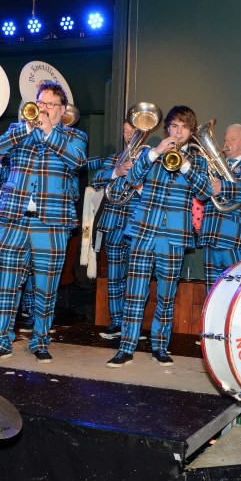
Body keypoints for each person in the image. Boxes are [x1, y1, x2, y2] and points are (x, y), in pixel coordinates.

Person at [0, 82, 87, 364]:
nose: (44, 108)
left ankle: (40, 340)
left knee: (46, 287)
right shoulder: (18, 130)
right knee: (8, 286)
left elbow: (76, 162)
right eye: (41, 102)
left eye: (51, 104)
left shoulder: (75, 136)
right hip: (14, 219)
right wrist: (29, 127)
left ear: (62, 110)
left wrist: (48, 130)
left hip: (51, 224)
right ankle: (2, 340)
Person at [106, 105, 213, 368]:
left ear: (190, 132)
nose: (178, 132)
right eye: (174, 126)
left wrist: (186, 165)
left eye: (184, 127)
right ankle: (126, 347)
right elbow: (131, 177)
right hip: (144, 231)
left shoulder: (197, 160)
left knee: (166, 294)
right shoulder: (147, 153)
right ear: (167, 128)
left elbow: (205, 191)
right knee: (135, 292)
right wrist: (154, 153)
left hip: (174, 235)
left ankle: (160, 347)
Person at [87, 120, 139, 338]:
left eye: (132, 131)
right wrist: (116, 172)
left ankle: (130, 323)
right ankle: (116, 322)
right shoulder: (114, 158)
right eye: (125, 131)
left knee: (134, 277)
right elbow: (96, 179)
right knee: (115, 277)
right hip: (114, 222)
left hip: (136, 223)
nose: (128, 135)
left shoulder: (150, 159)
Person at [198, 123, 241, 290]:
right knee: (212, 293)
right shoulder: (212, 165)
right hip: (211, 236)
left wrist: (223, 187)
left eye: (233, 139)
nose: (226, 143)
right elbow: (200, 194)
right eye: (225, 139)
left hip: (236, 238)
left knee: (237, 292)